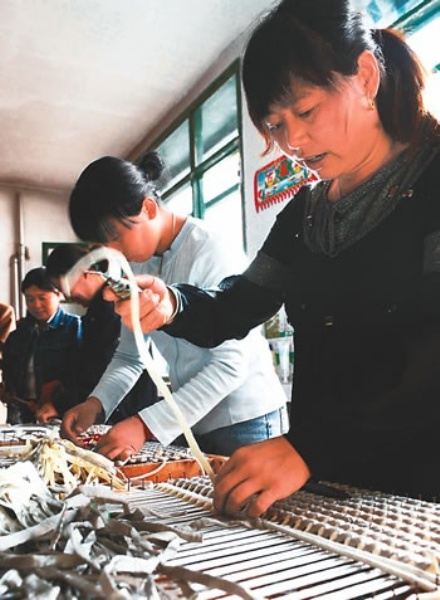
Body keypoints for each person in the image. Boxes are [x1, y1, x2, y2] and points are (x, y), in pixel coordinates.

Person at [113, 0, 440, 516]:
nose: (293, 142)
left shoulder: (432, 181)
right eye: (275, 125)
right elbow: (237, 305)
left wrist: (310, 447)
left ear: (365, 76)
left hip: (420, 492)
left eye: (305, 112)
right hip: (331, 489)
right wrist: (173, 304)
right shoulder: (304, 216)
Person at [62, 152, 288, 458]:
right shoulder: (136, 266)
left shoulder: (209, 248)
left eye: (115, 237)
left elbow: (230, 365)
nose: (113, 252)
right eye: (102, 245)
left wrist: (144, 425)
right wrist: (96, 403)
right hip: (192, 420)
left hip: (247, 420)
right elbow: (131, 355)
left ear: (148, 208)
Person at [42, 243, 159, 424]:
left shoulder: (111, 305)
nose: (67, 296)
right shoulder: (95, 311)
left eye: (65, 287)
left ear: (84, 272)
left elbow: (103, 367)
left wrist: (60, 405)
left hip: (127, 411)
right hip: (117, 409)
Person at [2, 267, 82, 424]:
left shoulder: (74, 327)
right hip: (21, 412)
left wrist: (57, 394)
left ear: (58, 295)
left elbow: (81, 373)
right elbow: (8, 370)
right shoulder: (18, 333)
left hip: (58, 411)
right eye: (30, 299)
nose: (36, 305)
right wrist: (7, 391)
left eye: (42, 298)